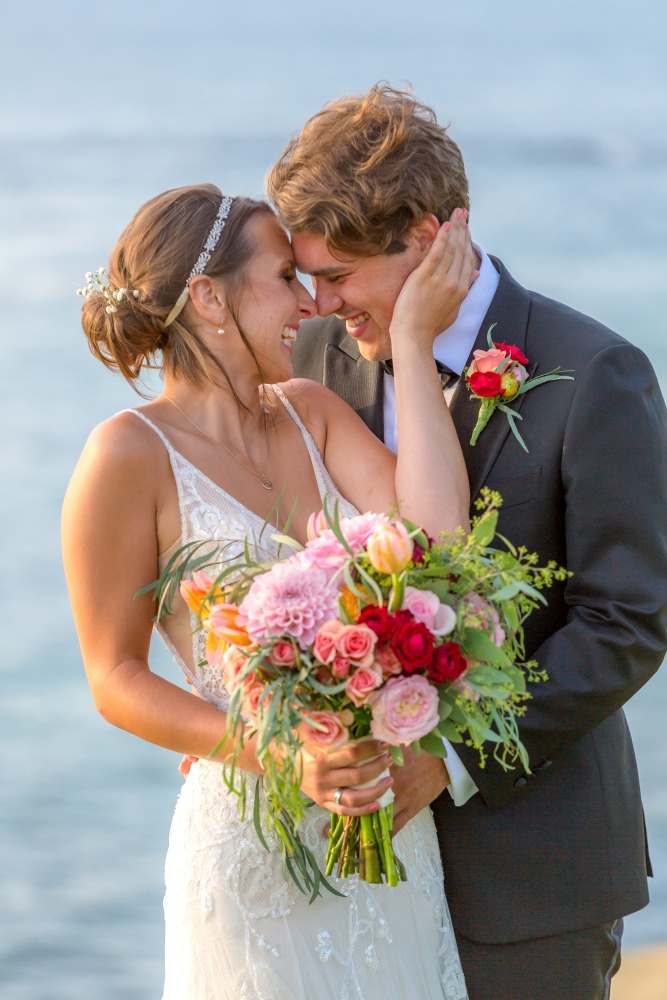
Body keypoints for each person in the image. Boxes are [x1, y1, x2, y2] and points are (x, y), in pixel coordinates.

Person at [267, 83, 667, 1000]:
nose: (318, 304)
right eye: (308, 277)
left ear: (431, 233)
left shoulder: (595, 373)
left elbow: (627, 623)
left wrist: (444, 763)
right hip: (356, 870)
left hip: (536, 870)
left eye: (337, 276)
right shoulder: (324, 362)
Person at [62, 183, 477, 999]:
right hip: (253, 847)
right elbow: (114, 677)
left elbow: (438, 542)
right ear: (210, 297)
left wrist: (412, 339)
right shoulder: (125, 455)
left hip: (388, 834)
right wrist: (285, 755)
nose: (309, 305)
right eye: (285, 277)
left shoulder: (314, 412)